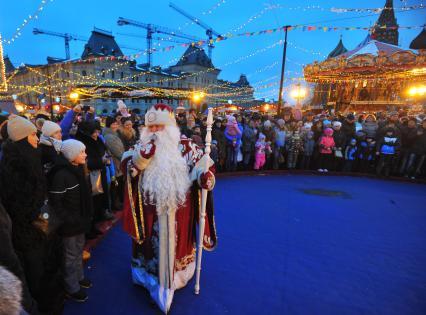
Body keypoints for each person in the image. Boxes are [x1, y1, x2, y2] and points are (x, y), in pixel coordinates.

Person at [121, 104, 217, 313]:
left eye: (160, 126)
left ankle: (177, 277)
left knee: (179, 243)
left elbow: (204, 166)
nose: (155, 131)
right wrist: (140, 158)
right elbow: (127, 168)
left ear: (171, 126)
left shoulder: (187, 145)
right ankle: (150, 280)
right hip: (150, 213)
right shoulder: (141, 144)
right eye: (151, 127)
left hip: (181, 211)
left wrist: (205, 177)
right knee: (150, 248)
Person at [0, 115, 64, 314]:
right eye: (33, 135)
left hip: (40, 228)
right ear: (23, 138)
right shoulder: (16, 165)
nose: (37, 138)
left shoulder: (30, 156)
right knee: (38, 275)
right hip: (30, 234)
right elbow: (21, 205)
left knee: (47, 271)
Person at [48, 139, 93, 302]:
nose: (85, 154)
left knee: (79, 250)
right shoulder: (61, 175)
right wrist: (69, 220)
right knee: (70, 255)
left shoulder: (78, 170)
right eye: (82, 152)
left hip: (79, 221)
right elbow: (56, 203)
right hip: (69, 224)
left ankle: (79, 277)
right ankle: (71, 287)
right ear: (71, 154)